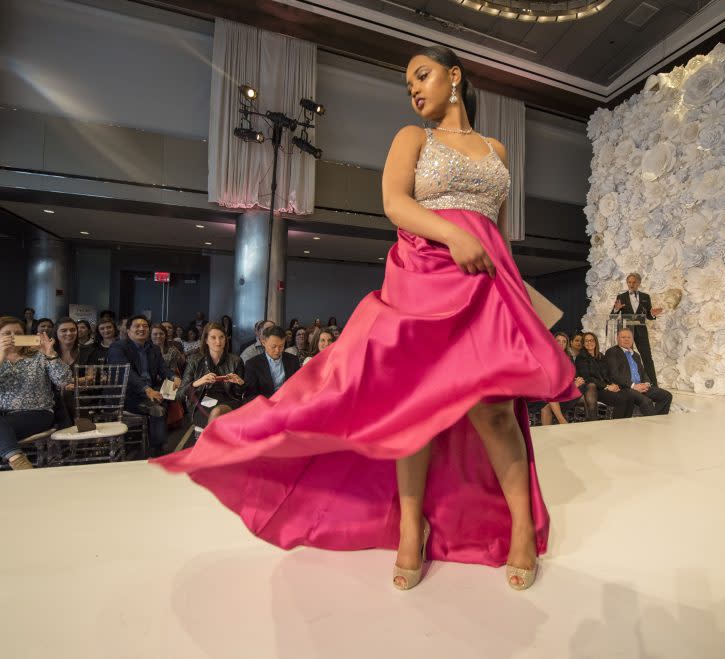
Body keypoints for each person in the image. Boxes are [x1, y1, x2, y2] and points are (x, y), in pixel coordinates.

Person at [154, 45, 577, 593]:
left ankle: (520, 525)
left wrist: (513, 290)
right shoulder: (412, 138)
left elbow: (494, 230)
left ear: (454, 76)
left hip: (483, 282)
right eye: (408, 85)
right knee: (411, 412)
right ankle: (410, 528)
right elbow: (395, 204)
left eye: (422, 76)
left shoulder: (496, 149)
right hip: (424, 275)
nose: (415, 90)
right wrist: (452, 234)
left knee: (493, 410)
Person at [0, 316, 71, 469]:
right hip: (4, 416)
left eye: (18, 333)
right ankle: (18, 460)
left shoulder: (39, 356)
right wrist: (1, 355)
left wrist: (50, 354)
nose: (13, 337)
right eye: (7, 333)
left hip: (37, 413)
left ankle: (16, 462)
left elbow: (64, 381)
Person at [107, 315, 181, 456]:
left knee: (170, 398)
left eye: (145, 326)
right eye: (137, 326)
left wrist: (173, 377)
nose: (142, 328)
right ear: (128, 331)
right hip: (126, 395)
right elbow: (126, 372)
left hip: (149, 393)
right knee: (157, 409)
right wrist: (146, 389)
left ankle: (152, 444)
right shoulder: (118, 347)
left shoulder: (153, 348)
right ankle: (156, 451)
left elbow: (163, 368)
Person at [178, 323, 245, 427]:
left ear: (226, 339)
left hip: (229, 400)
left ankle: (208, 442)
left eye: (221, 337)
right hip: (202, 402)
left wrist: (240, 383)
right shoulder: (194, 360)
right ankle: (215, 441)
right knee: (217, 415)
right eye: (213, 338)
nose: (218, 342)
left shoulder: (236, 361)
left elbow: (239, 394)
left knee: (218, 412)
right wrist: (198, 382)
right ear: (206, 340)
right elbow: (180, 394)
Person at [610, 272, 663, 386]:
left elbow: (648, 315)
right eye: (629, 282)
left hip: (641, 331)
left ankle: (654, 384)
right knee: (626, 357)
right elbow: (612, 316)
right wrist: (615, 309)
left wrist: (652, 314)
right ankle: (628, 384)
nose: (631, 284)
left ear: (639, 283)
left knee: (647, 357)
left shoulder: (645, 297)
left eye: (634, 282)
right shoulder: (621, 297)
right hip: (626, 331)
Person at [605, 329, 672, 416]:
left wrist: (647, 383)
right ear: (617, 339)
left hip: (640, 386)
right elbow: (615, 375)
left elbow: (643, 372)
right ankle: (654, 425)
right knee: (647, 402)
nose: (626, 339)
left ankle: (658, 420)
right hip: (626, 388)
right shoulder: (612, 352)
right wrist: (633, 386)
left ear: (632, 340)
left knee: (666, 396)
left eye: (629, 337)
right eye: (623, 337)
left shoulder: (636, 355)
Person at [574, 331, 633, 419]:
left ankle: (625, 423)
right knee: (621, 399)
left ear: (595, 342)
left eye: (592, 340)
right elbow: (588, 378)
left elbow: (608, 374)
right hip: (595, 389)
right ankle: (617, 425)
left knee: (629, 397)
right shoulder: (581, 357)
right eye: (586, 341)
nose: (589, 343)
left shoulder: (601, 356)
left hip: (606, 387)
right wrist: (606, 386)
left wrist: (612, 384)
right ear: (583, 343)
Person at [242, 326, 300, 401]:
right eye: (273, 346)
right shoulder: (253, 364)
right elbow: (250, 395)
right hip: (265, 404)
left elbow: (298, 387)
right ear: (263, 343)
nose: (277, 350)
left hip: (289, 402)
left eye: (281, 346)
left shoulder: (293, 360)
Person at [539, 332, 585, 425]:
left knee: (548, 406)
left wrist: (577, 381)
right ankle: (562, 421)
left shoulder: (568, 357)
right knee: (547, 403)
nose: (561, 344)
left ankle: (558, 425)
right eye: (558, 341)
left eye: (564, 341)